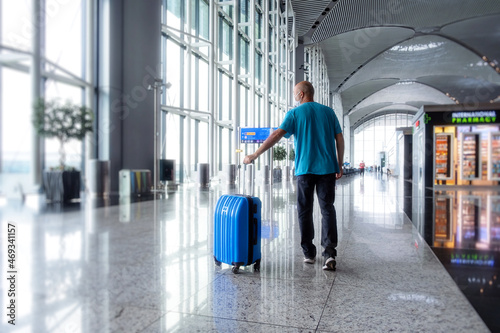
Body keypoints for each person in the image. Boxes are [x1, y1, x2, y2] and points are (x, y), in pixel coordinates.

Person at [243, 81, 344, 271]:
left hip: (305, 169)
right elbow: (339, 137)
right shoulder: (329, 112)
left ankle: (309, 253)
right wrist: (339, 163)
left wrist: (255, 154)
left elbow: (277, 135)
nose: (294, 97)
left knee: (304, 210)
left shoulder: (295, 114)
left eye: (295, 93)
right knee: (327, 209)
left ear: (302, 94)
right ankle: (329, 253)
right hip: (328, 169)